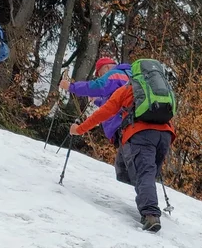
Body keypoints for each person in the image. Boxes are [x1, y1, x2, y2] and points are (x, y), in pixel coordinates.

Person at [72, 61, 175, 231]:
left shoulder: (127, 90)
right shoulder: (160, 91)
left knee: (144, 173)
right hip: (165, 135)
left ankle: (151, 215)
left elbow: (104, 113)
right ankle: (146, 194)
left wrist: (80, 129)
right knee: (129, 170)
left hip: (140, 134)